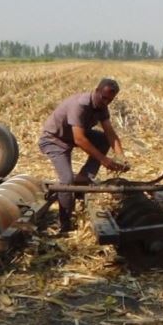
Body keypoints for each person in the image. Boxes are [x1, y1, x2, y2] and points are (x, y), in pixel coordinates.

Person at [39, 78, 129, 234]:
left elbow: (110, 134)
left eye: (110, 100)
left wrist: (121, 156)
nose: (106, 102)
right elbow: (79, 139)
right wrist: (104, 160)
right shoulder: (80, 105)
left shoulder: (102, 106)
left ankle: (83, 178)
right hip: (55, 140)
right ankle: (65, 224)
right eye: (104, 97)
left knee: (102, 139)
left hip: (70, 136)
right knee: (66, 182)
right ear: (97, 90)